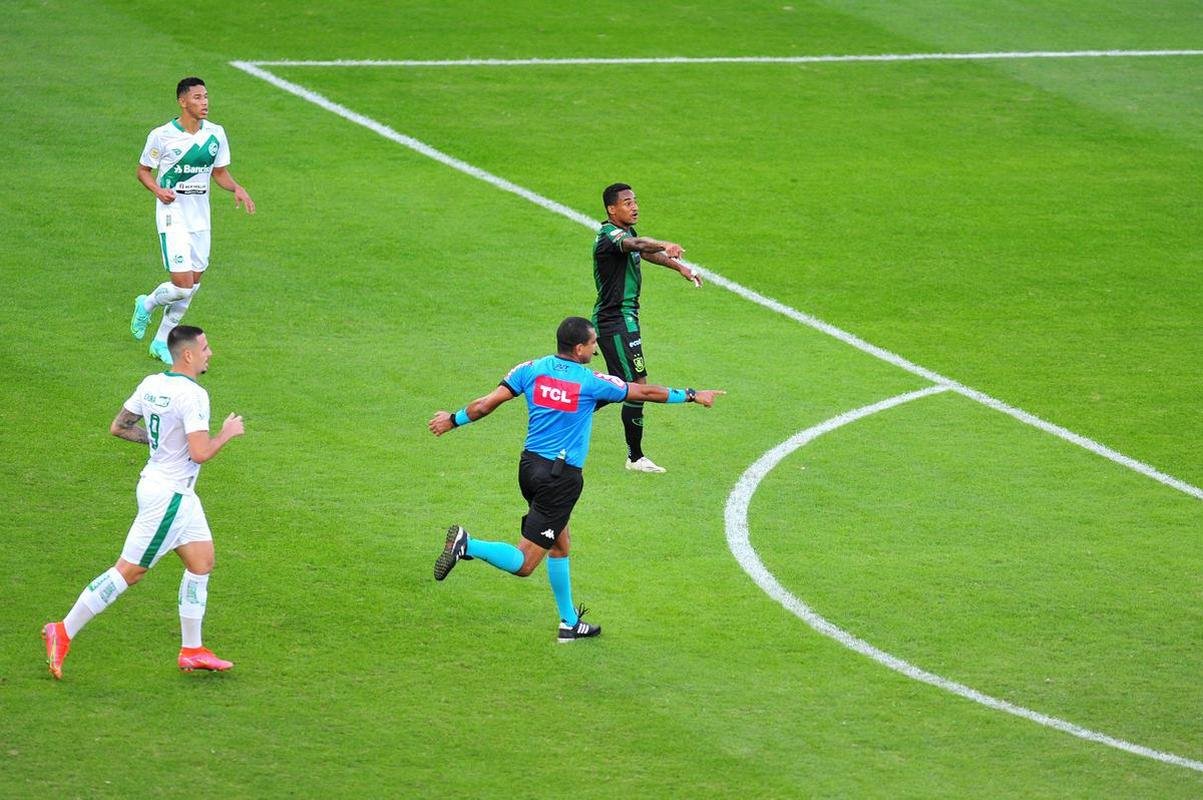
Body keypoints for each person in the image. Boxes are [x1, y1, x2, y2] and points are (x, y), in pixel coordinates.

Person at [428, 316, 722, 642]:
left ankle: (569, 622)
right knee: (525, 563)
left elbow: (485, 405)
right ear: (579, 347)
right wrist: (693, 395)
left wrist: (452, 420)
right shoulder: (591, 381)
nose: (596, 349)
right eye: (594, 344)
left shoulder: (530, 369)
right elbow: (647, 391)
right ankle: (468, 544)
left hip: (530, 468)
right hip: (561, 478)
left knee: (560, 544)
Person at [42, 325, 245, 678]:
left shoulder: (152, 383)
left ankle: (192, 649)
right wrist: (225, 435)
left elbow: (120, 426)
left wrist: (160, 446)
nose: (210, 353)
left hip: (170, 490)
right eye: (206, 348)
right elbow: (198, 453)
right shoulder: (195, 396)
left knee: (201, 563)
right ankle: (63, 630)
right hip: (168, 497)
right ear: (188, 354)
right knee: (129, 571)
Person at [129, 77, 255, 366]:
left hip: (200, 215)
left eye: (206, 96)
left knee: (193, 284)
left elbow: (219, 173)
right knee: (182, 285)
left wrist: (236, 187)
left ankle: (161, 339)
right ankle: (146, 303)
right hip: (173, 213)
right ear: (182, 101)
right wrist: (158, 189)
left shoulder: (216, 134)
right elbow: (143, 171)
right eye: (197, 97)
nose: (204, 102)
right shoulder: (161, 135)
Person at [592, 182, 702, 474]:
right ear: (611, 209)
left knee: (624, 383)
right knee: (636, 386)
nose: (634, 206)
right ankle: (635, 457)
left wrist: (679, 266)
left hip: (625, 319)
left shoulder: (626, 233)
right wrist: (665, 243)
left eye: (635, 201)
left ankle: (565, 405)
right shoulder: (610, 237)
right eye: (627, 202)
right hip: (614, 321)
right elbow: (639, 246)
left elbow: (643, 253)